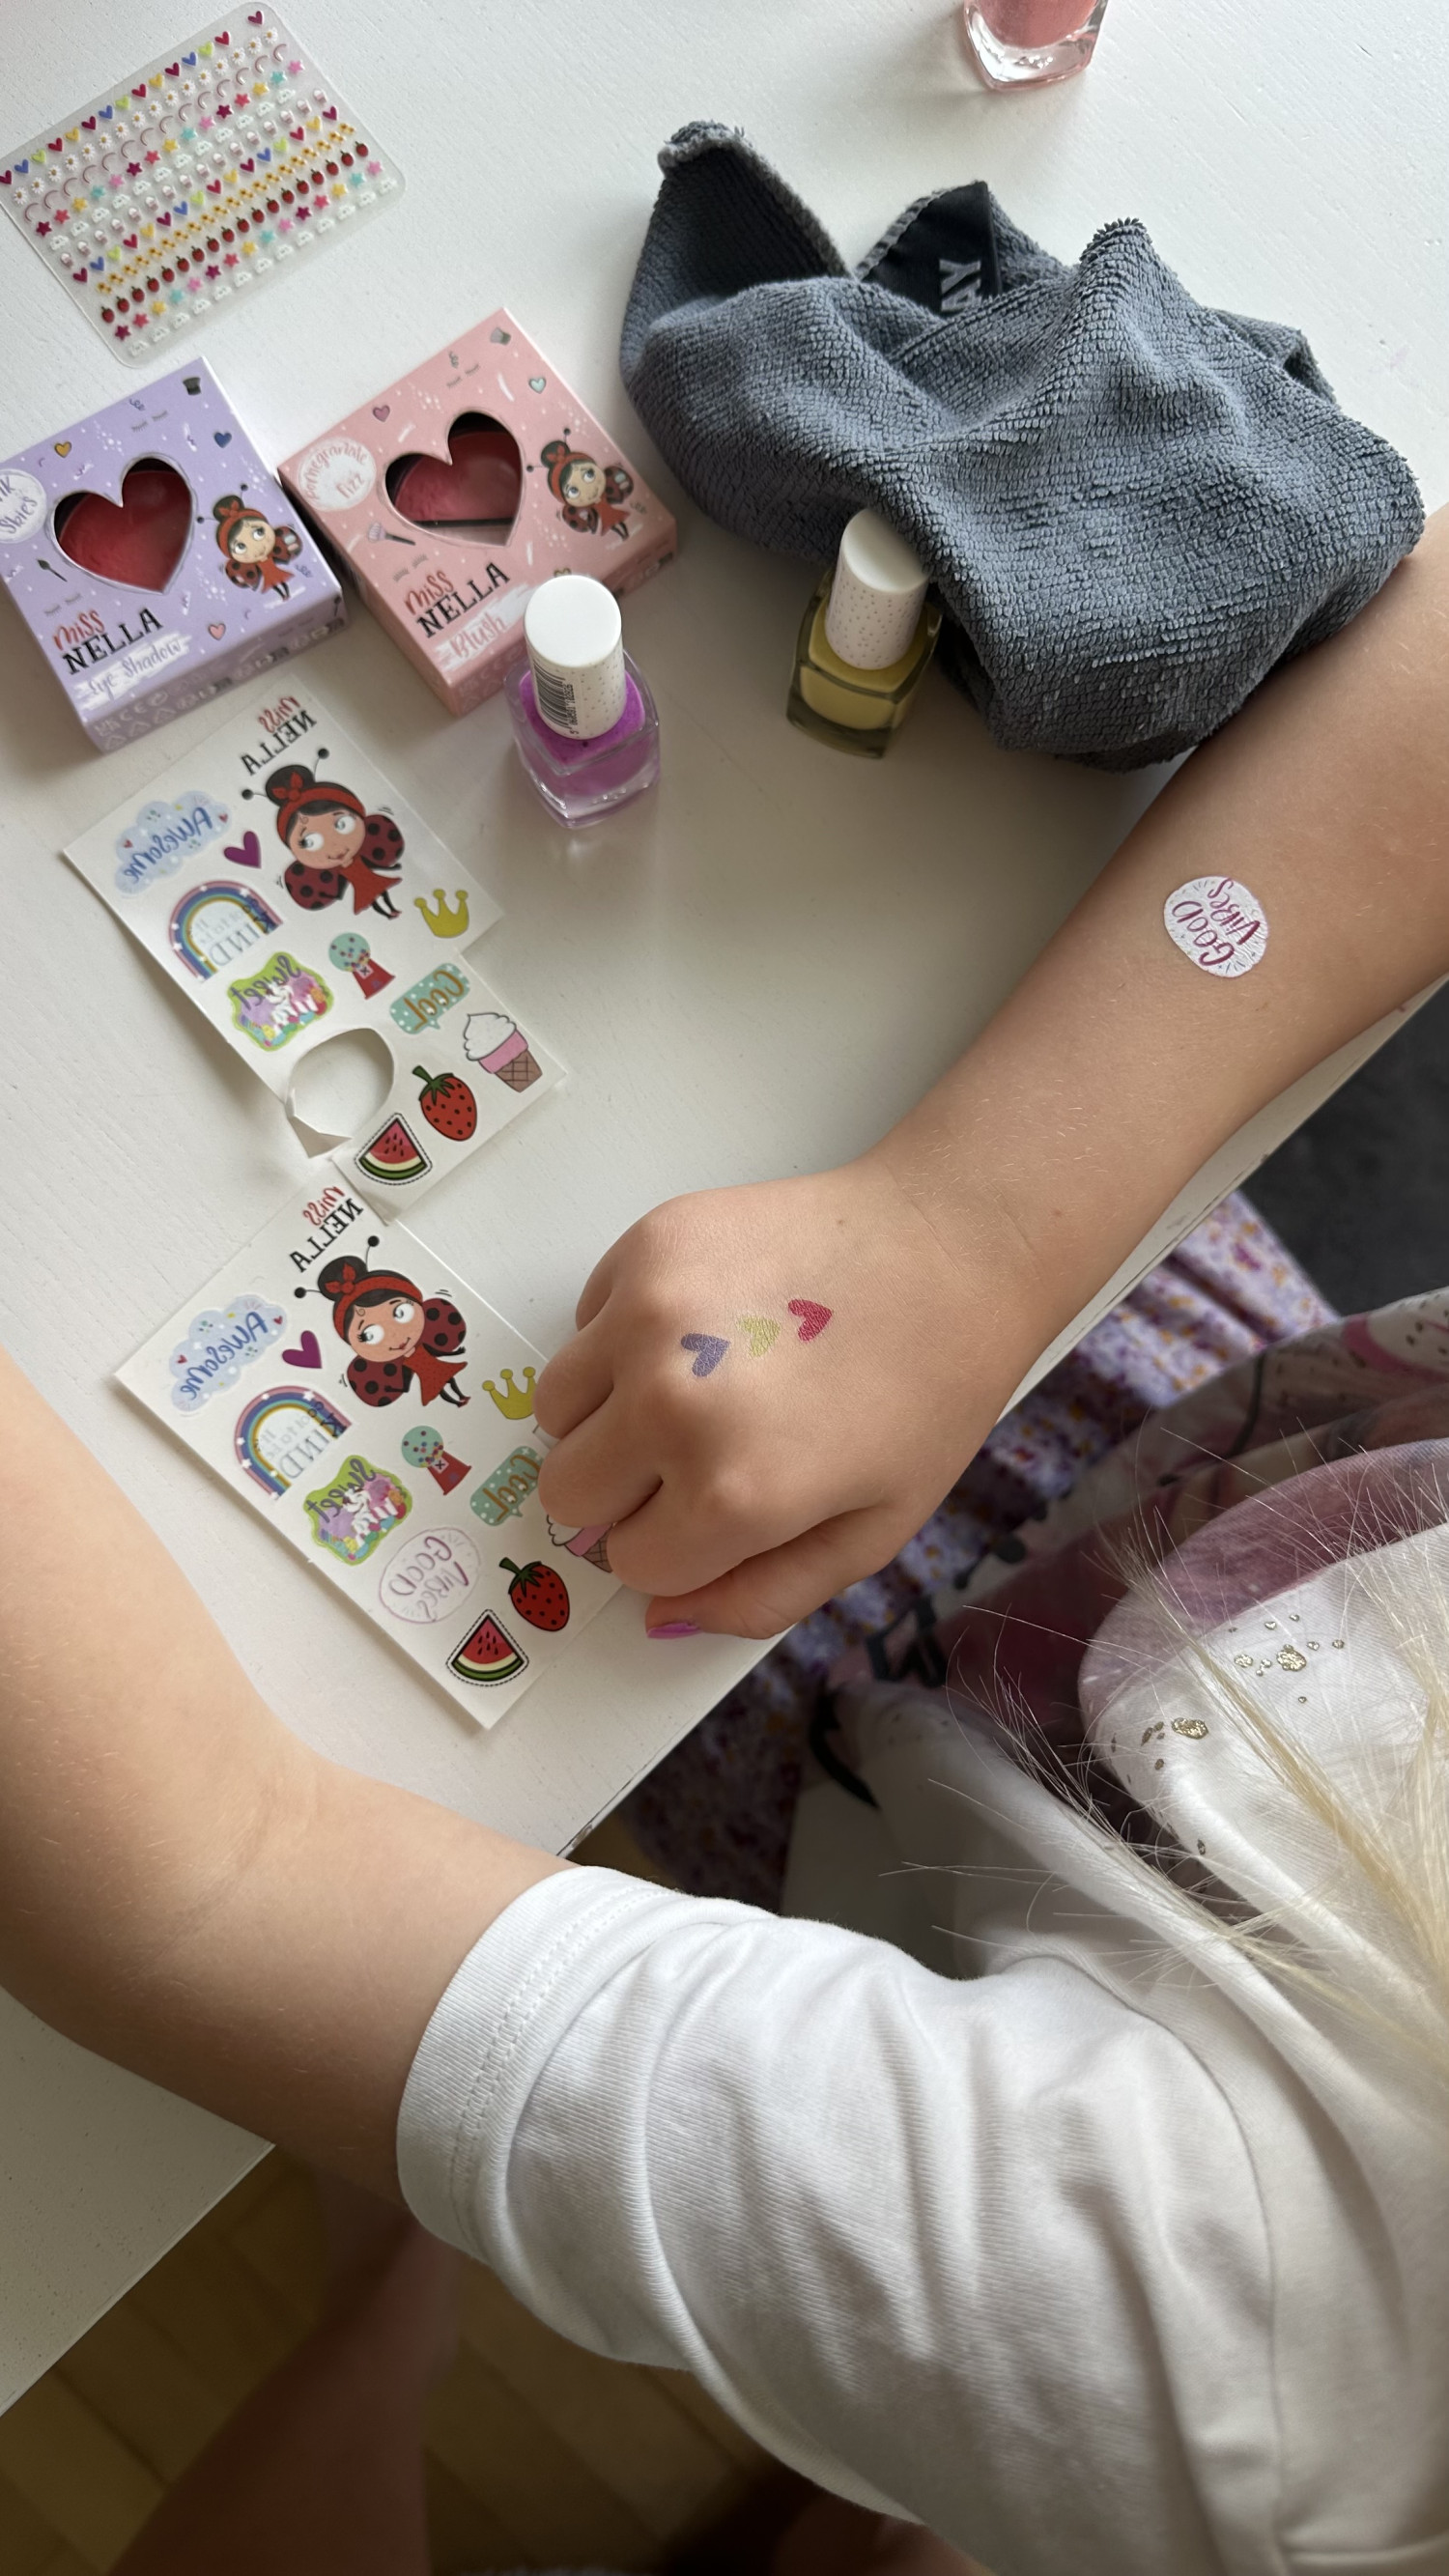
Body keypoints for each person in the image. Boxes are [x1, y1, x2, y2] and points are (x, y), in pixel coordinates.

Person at [2, 509, 1447, 2576]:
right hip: (1178, 1450)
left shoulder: (1221, 2340)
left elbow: (203, 1881)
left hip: (898, 1864)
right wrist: (976, 1224)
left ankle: (467, 2318)